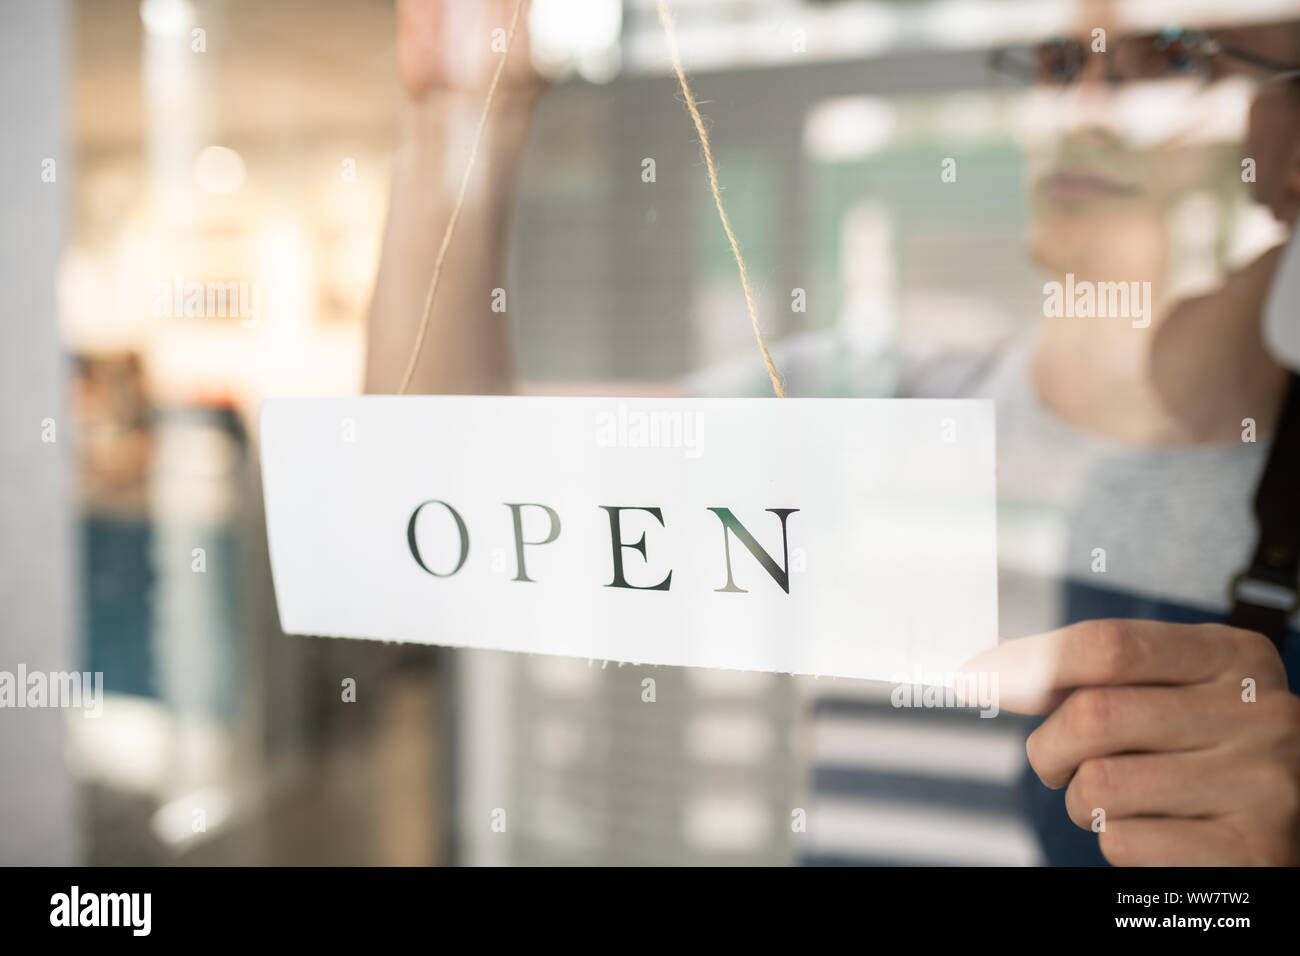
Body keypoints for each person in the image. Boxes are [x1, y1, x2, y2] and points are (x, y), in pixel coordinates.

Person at [365, 0, 1300, 865]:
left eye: (1176, 56)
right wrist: (457, 109)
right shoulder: (873, 406)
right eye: (1058, 62)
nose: (1087, 108)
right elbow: (431, 473)